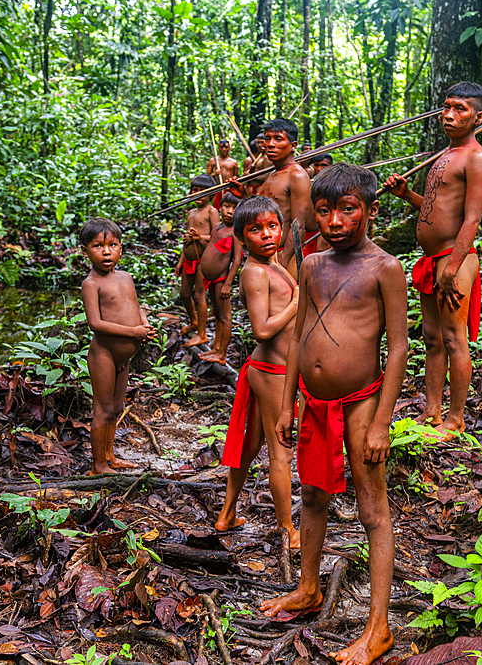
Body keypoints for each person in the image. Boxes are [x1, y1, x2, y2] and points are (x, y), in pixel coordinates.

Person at [262, 164, 407, 665]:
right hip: (315, 404)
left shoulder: (384, 268)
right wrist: (286, 403)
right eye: (325, 211)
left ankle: (378, 627)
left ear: (368, 209)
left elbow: (399, 347)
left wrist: (383, 421)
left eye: (348, 209)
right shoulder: (310, 265)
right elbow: (299, 336)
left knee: (373, 510)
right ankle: (307, 588)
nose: (335, 221)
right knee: (312, 494)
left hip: (362, 402)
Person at [383, 82, 482, 439]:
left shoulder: (475, 157)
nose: (449, 115)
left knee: (453, 338)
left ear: (479, 116)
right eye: (446, 107)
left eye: (460, 108)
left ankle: (455, 420)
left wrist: (452, 268)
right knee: (431, 338)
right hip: (432, 259)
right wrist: (406, 194)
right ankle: (432, 412)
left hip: (454, 260)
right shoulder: (445, 155)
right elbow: (433, 210)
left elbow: (471, 220)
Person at [214, 196, 300, 547]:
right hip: (270, 370)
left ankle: (227, 514)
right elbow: (261, 329)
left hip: (278, 369)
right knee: (281, 452)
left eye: (272, 226)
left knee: (251, 446)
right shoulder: (253, 271)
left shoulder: (275, 262)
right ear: (241, 237)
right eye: (255, 230)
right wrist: (298, 303)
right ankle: (287, 529)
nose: (266, 235)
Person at [79, 218, 157, 475]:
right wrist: (132, 331)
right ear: (85, 251)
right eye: (97, 246)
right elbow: (95, 324)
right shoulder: (92, 284)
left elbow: (136, 307)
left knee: (117, 408)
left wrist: (144, 325)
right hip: (104, 354)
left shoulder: (126, 277)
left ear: (120, 248)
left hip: (124, 357)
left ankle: (110, 455)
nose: (106, 251)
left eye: (112, 245)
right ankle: (98, 465)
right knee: (102, 409)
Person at [229, 119, 325, 273]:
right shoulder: (273, 174)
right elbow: (262, 214)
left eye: (278, 139)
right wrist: (241, 196)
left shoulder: (296, 175)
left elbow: (298, 226)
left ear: (293, 146)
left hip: (282, 256)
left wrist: (283, 262)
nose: (270, 144)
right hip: (268, 256)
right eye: (268, 139)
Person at [198, 192, 243, 365]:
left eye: (234, 208)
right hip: (210, 280)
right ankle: (216, 348)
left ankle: (222, 353)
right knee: (216, 313)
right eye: (226, 206)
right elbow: (212, 247)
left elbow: (237, 260)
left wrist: (228, 284)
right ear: (220, 206)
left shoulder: (235, 232)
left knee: (225, 316)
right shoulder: (217, 226)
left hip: (221, 280)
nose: (230, 211)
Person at [175, 174, 217, 348]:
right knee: (185, 294)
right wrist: (180, 261)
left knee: (199, 296)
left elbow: (216, 237)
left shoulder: (212, 212)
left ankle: (202, 333)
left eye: (203, 191)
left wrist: (200, 237)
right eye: (195, 190)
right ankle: (193, 321)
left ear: (211, 194)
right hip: (188, 259)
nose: (198, 194)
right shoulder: (191, 213)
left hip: (203, 260)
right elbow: (187, 240)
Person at [207, 139, 240, 208]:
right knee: (216, 209)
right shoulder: (213, 161)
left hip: (229, 189)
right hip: (217, 189)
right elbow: (207, 177)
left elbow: (236, 178)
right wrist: (214, 174)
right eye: (222, 147)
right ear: (219, 148)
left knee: (227, 208)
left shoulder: (233, 162)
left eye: (226, 147)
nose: (224, 149)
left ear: (229, 149)